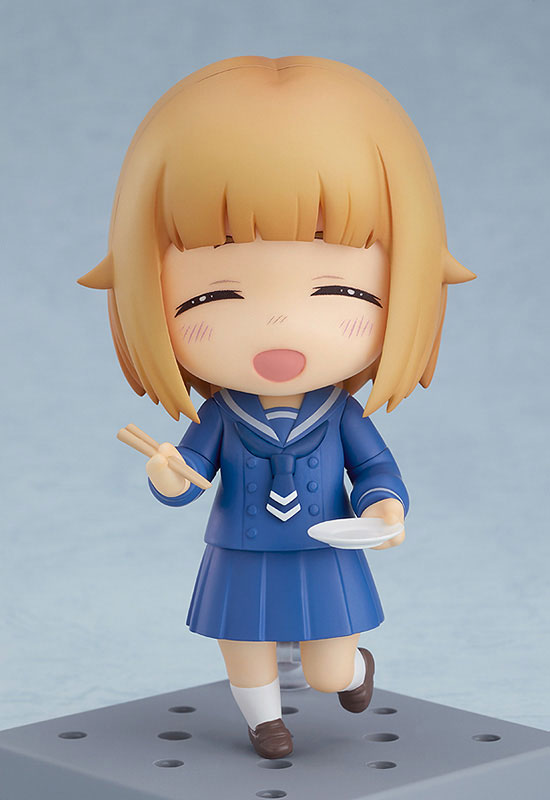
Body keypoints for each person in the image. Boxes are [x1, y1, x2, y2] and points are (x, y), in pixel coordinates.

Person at [79, 55, 474, 758]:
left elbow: (375, 469)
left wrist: (385, 508)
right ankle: (264, 721)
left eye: (339, 292)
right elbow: (187, 476)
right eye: (213, 296)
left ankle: (352, 673)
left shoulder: (341, 413)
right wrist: (168, 474)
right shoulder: (220, 416)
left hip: (327, 550)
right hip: (242, 549)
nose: (277, 326)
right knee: (243, 644)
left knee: (329, 670)